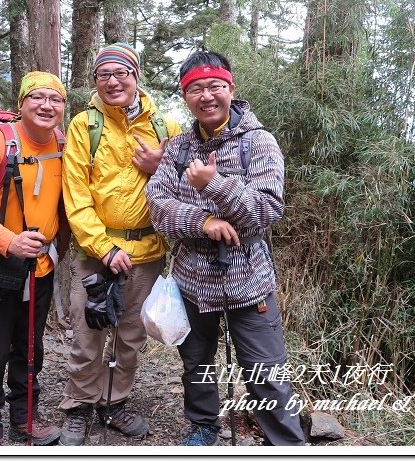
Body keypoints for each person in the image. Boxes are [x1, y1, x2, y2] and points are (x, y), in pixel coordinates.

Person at [145, 50, 306, 447]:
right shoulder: (179, 147)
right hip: (191, 280)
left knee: (265, 370)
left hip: (248, 278)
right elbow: (157, 205)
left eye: (215, 86)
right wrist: (204, 222)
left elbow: (266, 210)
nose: (207, 96)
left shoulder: (259, 143)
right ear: (185, 97)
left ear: (231, 89)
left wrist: (214, 184)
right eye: (195, 89)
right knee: (195, 361)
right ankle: (203, 426)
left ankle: (286, 443)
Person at [58, 43, 181, 446]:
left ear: (136, 76)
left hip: (147, 255)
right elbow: (75, 195)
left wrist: (162, 165)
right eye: (103, 75)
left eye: (120, 73)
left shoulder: (166, 127)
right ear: (95, 82)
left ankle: (113, 402)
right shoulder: (84, 126)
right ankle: (78, 405)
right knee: (88, 331)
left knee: (130, 337)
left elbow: (186, 185)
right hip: (96, 255)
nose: (113, 82)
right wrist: (104, 247)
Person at [0, 71, 70, 446]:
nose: (46, 105)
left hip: (41, 266)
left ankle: (25, 420)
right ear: (21, 104)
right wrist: (9, 241)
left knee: (30, 348)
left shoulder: (62, 143)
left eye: (55, 99)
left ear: (62, 107)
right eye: (37, 97)